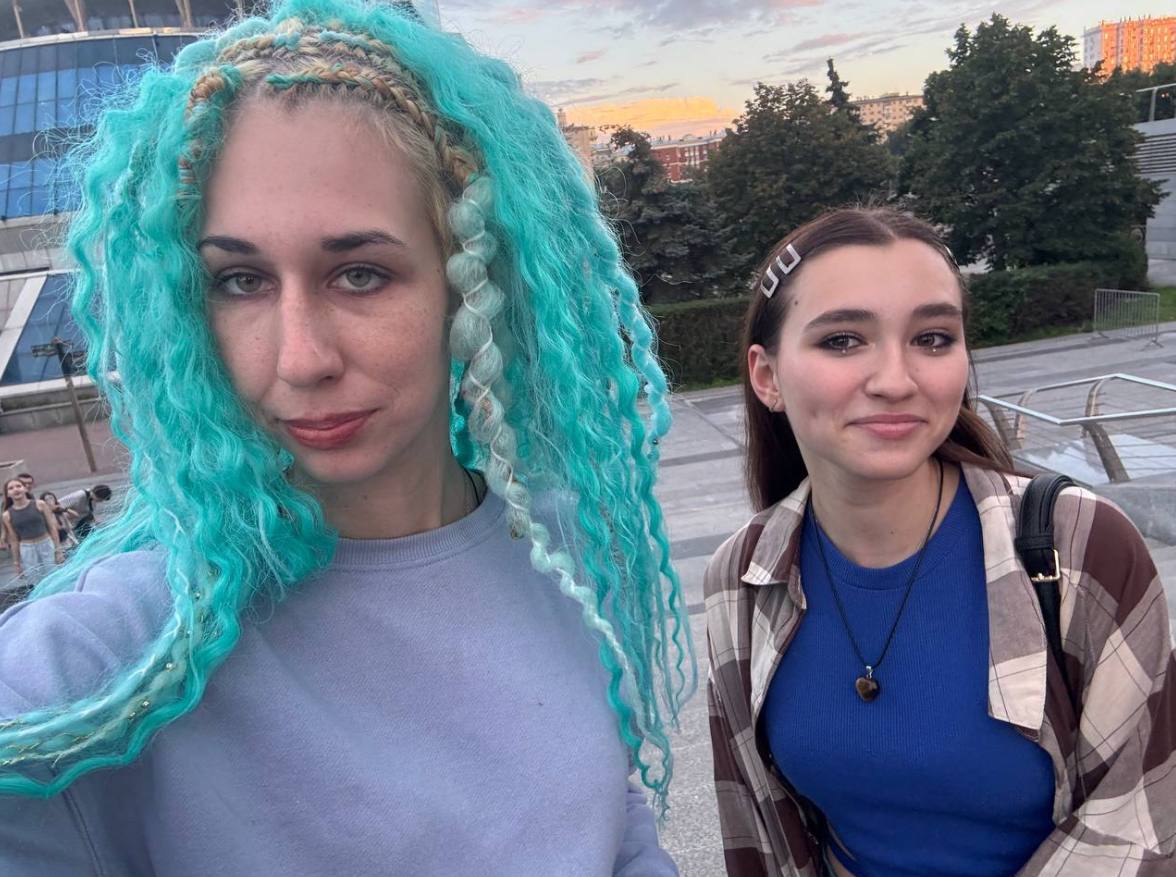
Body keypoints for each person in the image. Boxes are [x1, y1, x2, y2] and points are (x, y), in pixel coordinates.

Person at [0, 2, 694, 874]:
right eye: (240, 281)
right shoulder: (123, 648)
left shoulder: (569, 552)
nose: (302, 358)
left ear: (469, 283)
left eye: (360, 274)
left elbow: (608, 822)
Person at [704, 207, 1176, 876]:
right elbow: (757, 832)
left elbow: (1140, 824)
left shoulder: (1080, 546)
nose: (896, 380)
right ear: (767, 376)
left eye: (932, 338)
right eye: (843, 340)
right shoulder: (743, 577)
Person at [1, 479, 64, 586]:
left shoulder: (40, 504)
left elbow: (52, 528)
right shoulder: (7, 515)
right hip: (27, 549)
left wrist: (58, 550)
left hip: (46, 544)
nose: (15, 489)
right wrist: (16, 563)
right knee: (36, 580)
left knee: (53, 577)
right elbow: (14, 539)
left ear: (25, 489)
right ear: (8, 494)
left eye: (18, 486)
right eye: (11, 488)